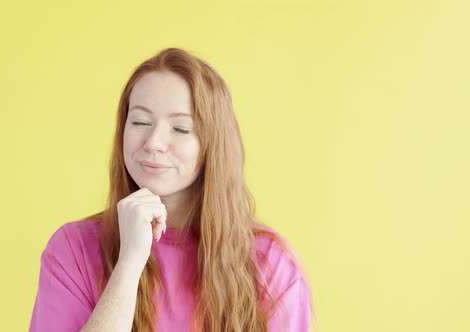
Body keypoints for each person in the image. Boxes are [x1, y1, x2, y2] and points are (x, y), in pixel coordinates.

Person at [28, 47, 313, 332]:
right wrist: (128, 264)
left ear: (213, 143)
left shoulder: (270, 264)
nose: (154, 142)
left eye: (181, 128)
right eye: (140, 121)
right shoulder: (72, 249)